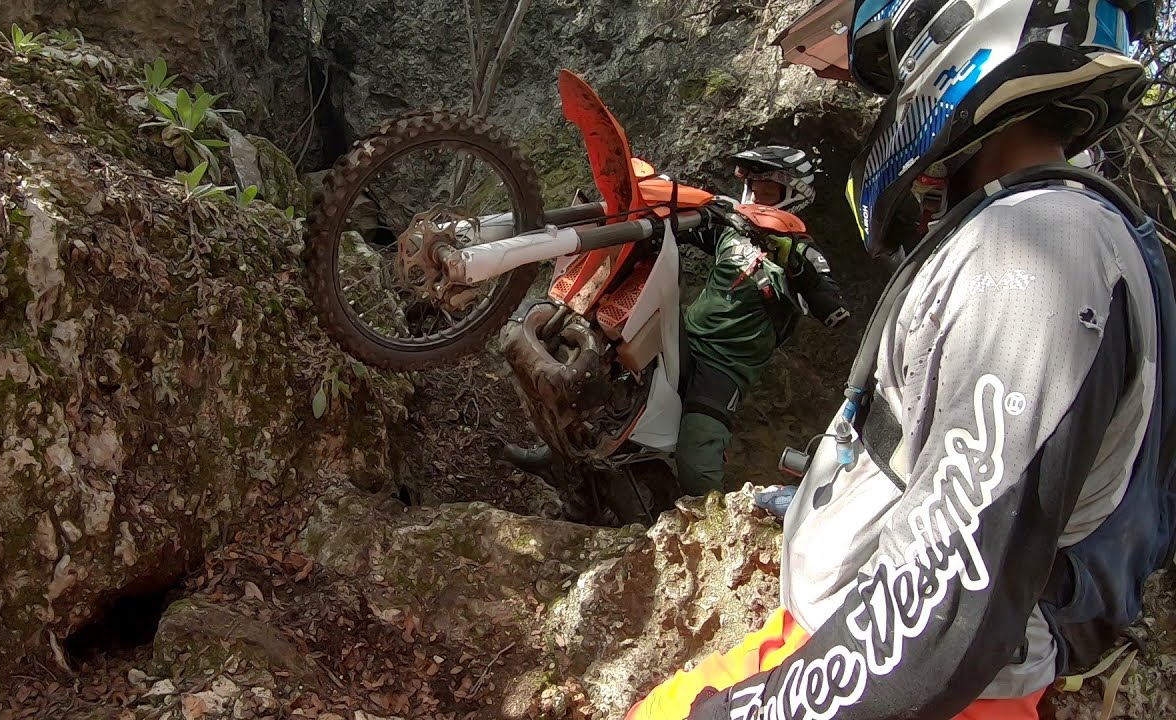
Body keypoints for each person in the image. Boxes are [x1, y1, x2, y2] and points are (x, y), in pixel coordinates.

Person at [625, 0, 1172, 717]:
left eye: (893, 74)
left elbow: (942, 604)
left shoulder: (1038, 250)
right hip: (859, 649)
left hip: (915, 686)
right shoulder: (1032, 230)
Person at [502, 146, 849, 498]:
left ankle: (716, 524)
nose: (756, 195)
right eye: (753, 186)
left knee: (697, 455)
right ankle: (557, 452)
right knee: (599, 358)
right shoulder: (734, 230)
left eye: (768, 191)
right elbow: (684, 225)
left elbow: (832, 309)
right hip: (684, 336)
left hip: (725, 367)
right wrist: (647, 206)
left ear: (793, 196)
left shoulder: (804, 252)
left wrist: (794, 265)